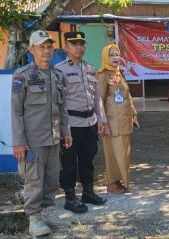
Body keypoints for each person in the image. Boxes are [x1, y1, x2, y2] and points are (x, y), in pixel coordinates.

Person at [11, 30, 73, 237]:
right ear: (31, 50)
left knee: (52, 178)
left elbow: (62, 107)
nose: (47, 51)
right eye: (41, 47)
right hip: (33, 140)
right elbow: (16, 111)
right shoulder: (22, 76)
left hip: (54, 137)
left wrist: (66, 131)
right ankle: (34, 218)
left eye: (49, 46)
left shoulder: (57, 75)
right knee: (34, 179)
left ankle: (46, 211)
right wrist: (19, 142)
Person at [54, 31, 107, 214]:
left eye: (82, 44)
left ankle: (88, 192)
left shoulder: (90, 69)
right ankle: (70, 197)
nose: (79, 47)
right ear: (66, 47)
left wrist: (101, 120)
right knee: (69, 162)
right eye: (74, 44)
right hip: (71, 125)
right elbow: (57, 102)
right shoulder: (59, 70)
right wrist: (62, 128)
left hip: (90, 123)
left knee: (88, 159)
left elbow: (97, 97)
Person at [96, 44, 139, 194]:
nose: (115, 58)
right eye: (112, 55)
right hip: (112, 124)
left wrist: (133, 114)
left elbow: (127, 96)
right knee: (116, 155)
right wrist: (102, 123)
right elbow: (99, 100)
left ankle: (117, 183)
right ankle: (121, 185)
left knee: (122, 154)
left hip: (124, 121)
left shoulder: (118, 73)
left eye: (117, 55)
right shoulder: (103, 75)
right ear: (105, 57)